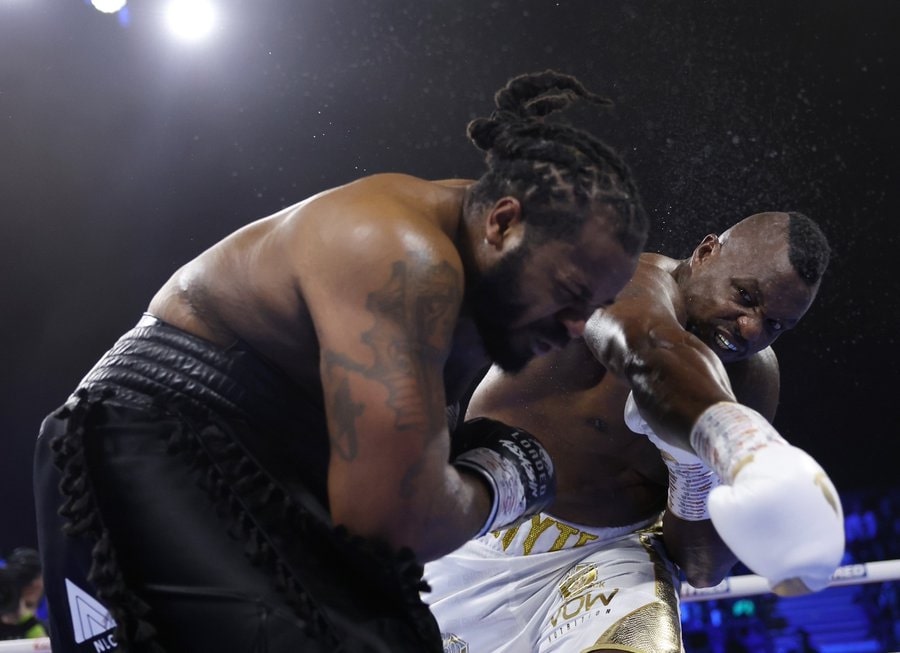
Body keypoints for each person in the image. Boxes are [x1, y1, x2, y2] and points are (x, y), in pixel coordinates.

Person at [33, 69, 649, 653]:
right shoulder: (401, 259)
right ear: (504, 223)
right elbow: (391, 527)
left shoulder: (473, 299)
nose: (576, 327)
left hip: (278, 460)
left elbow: (405, 519)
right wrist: (505, 480)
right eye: (569, 294)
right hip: (154, 433)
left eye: (592, 306)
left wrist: (450, 486)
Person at [424, 211, 845, 652]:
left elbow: (702, 569)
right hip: (471, 524)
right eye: (745, 295)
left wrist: (692, 472)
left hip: (601, 562)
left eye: (776, 325)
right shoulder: (623, 281)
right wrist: (739, 440)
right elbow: (649, 349)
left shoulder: (754, 380)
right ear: (705, 253)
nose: (751, 328)